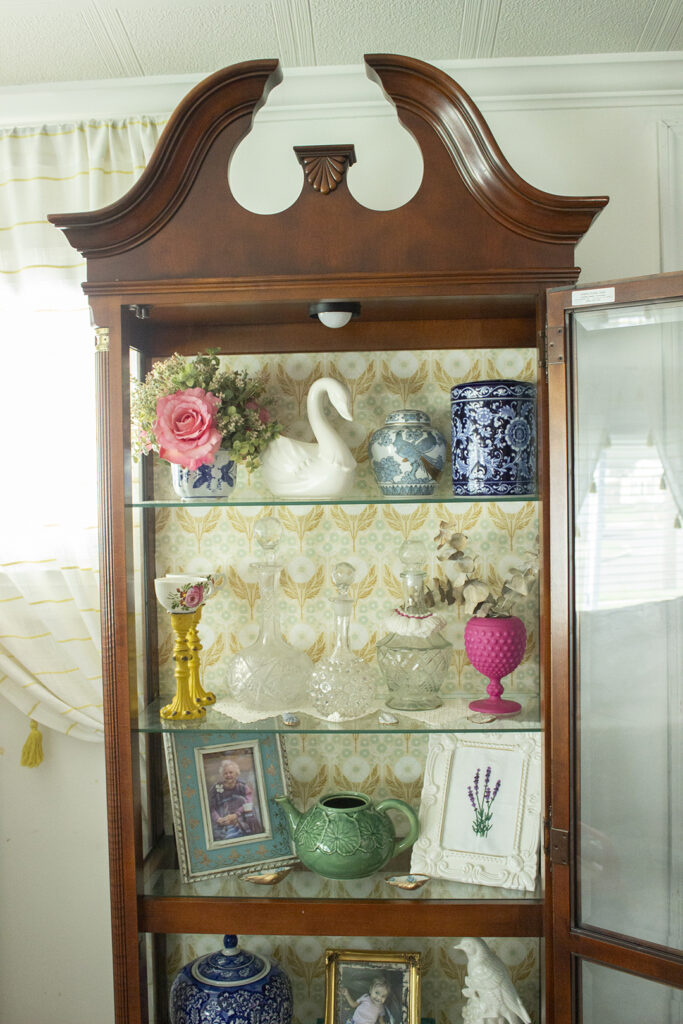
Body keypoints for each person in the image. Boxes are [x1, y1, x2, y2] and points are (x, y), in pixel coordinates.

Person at [208, 758, 261, 840]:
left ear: (236, 773)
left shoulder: (242, 787)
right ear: (222, 775)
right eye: (225, 773)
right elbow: (211, 807)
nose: (228, 775)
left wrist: (236, 814)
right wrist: (218, 819)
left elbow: (248, 803)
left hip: (242, 820)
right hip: (223, 822)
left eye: (231, 772)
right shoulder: (216, 788)